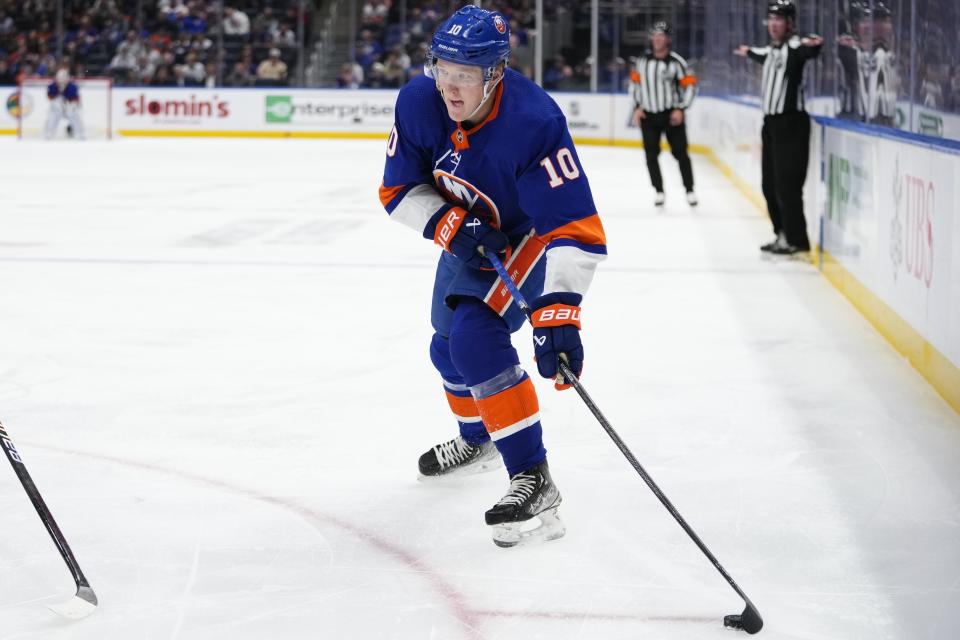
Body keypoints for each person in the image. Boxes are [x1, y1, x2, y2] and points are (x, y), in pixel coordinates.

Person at [379, 5, 606, 547]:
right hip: (468, 234)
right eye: (442, 70)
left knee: (476, 341)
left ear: (495, 73)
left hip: (526, 236)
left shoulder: (535, 122)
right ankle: (477, 438)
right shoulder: (418, 101)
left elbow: (574, 226)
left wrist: (559, 313)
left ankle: (533, 476)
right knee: (445, 349)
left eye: (465, 76)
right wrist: (451, 224)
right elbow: (397, 189)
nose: (450, 89)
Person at [735, 0, 822, 256]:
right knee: (769, 184)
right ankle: (782, 234)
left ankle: (797, 239)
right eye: (770, 19)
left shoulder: (795, 48)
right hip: (771, 124)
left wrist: (816, 45)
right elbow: (760, 54)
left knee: (787, 184)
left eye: (779, 19)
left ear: (790, 24)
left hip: (791, 123)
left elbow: (808, 50)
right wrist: (747, 51)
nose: (773, 24)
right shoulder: (772, 52)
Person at [629, 21, 698, 207]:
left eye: (661, 36)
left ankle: (689, 189)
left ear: (668, 40)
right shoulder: (642, 62)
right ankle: (658, 190)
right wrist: (637, 106)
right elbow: (634, 85)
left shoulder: (677, 62)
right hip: (648, 116)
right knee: (651, 155)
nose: (657, 39)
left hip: (671, 115)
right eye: (655, 35)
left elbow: (690, 86)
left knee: (681, 153)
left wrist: (681, 108)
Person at [45, 69, 85, 140]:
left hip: (70, 106)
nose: (61, 81)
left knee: (73, 114)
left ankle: (80, 133)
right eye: (60, 79)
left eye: (63, 79)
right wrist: (58, 94)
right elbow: (50, 98)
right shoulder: (52, 86)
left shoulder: (72, 87)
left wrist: (71, 105)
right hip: (58, 108)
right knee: (53, 114)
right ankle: (49, 133)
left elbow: (76, 99)